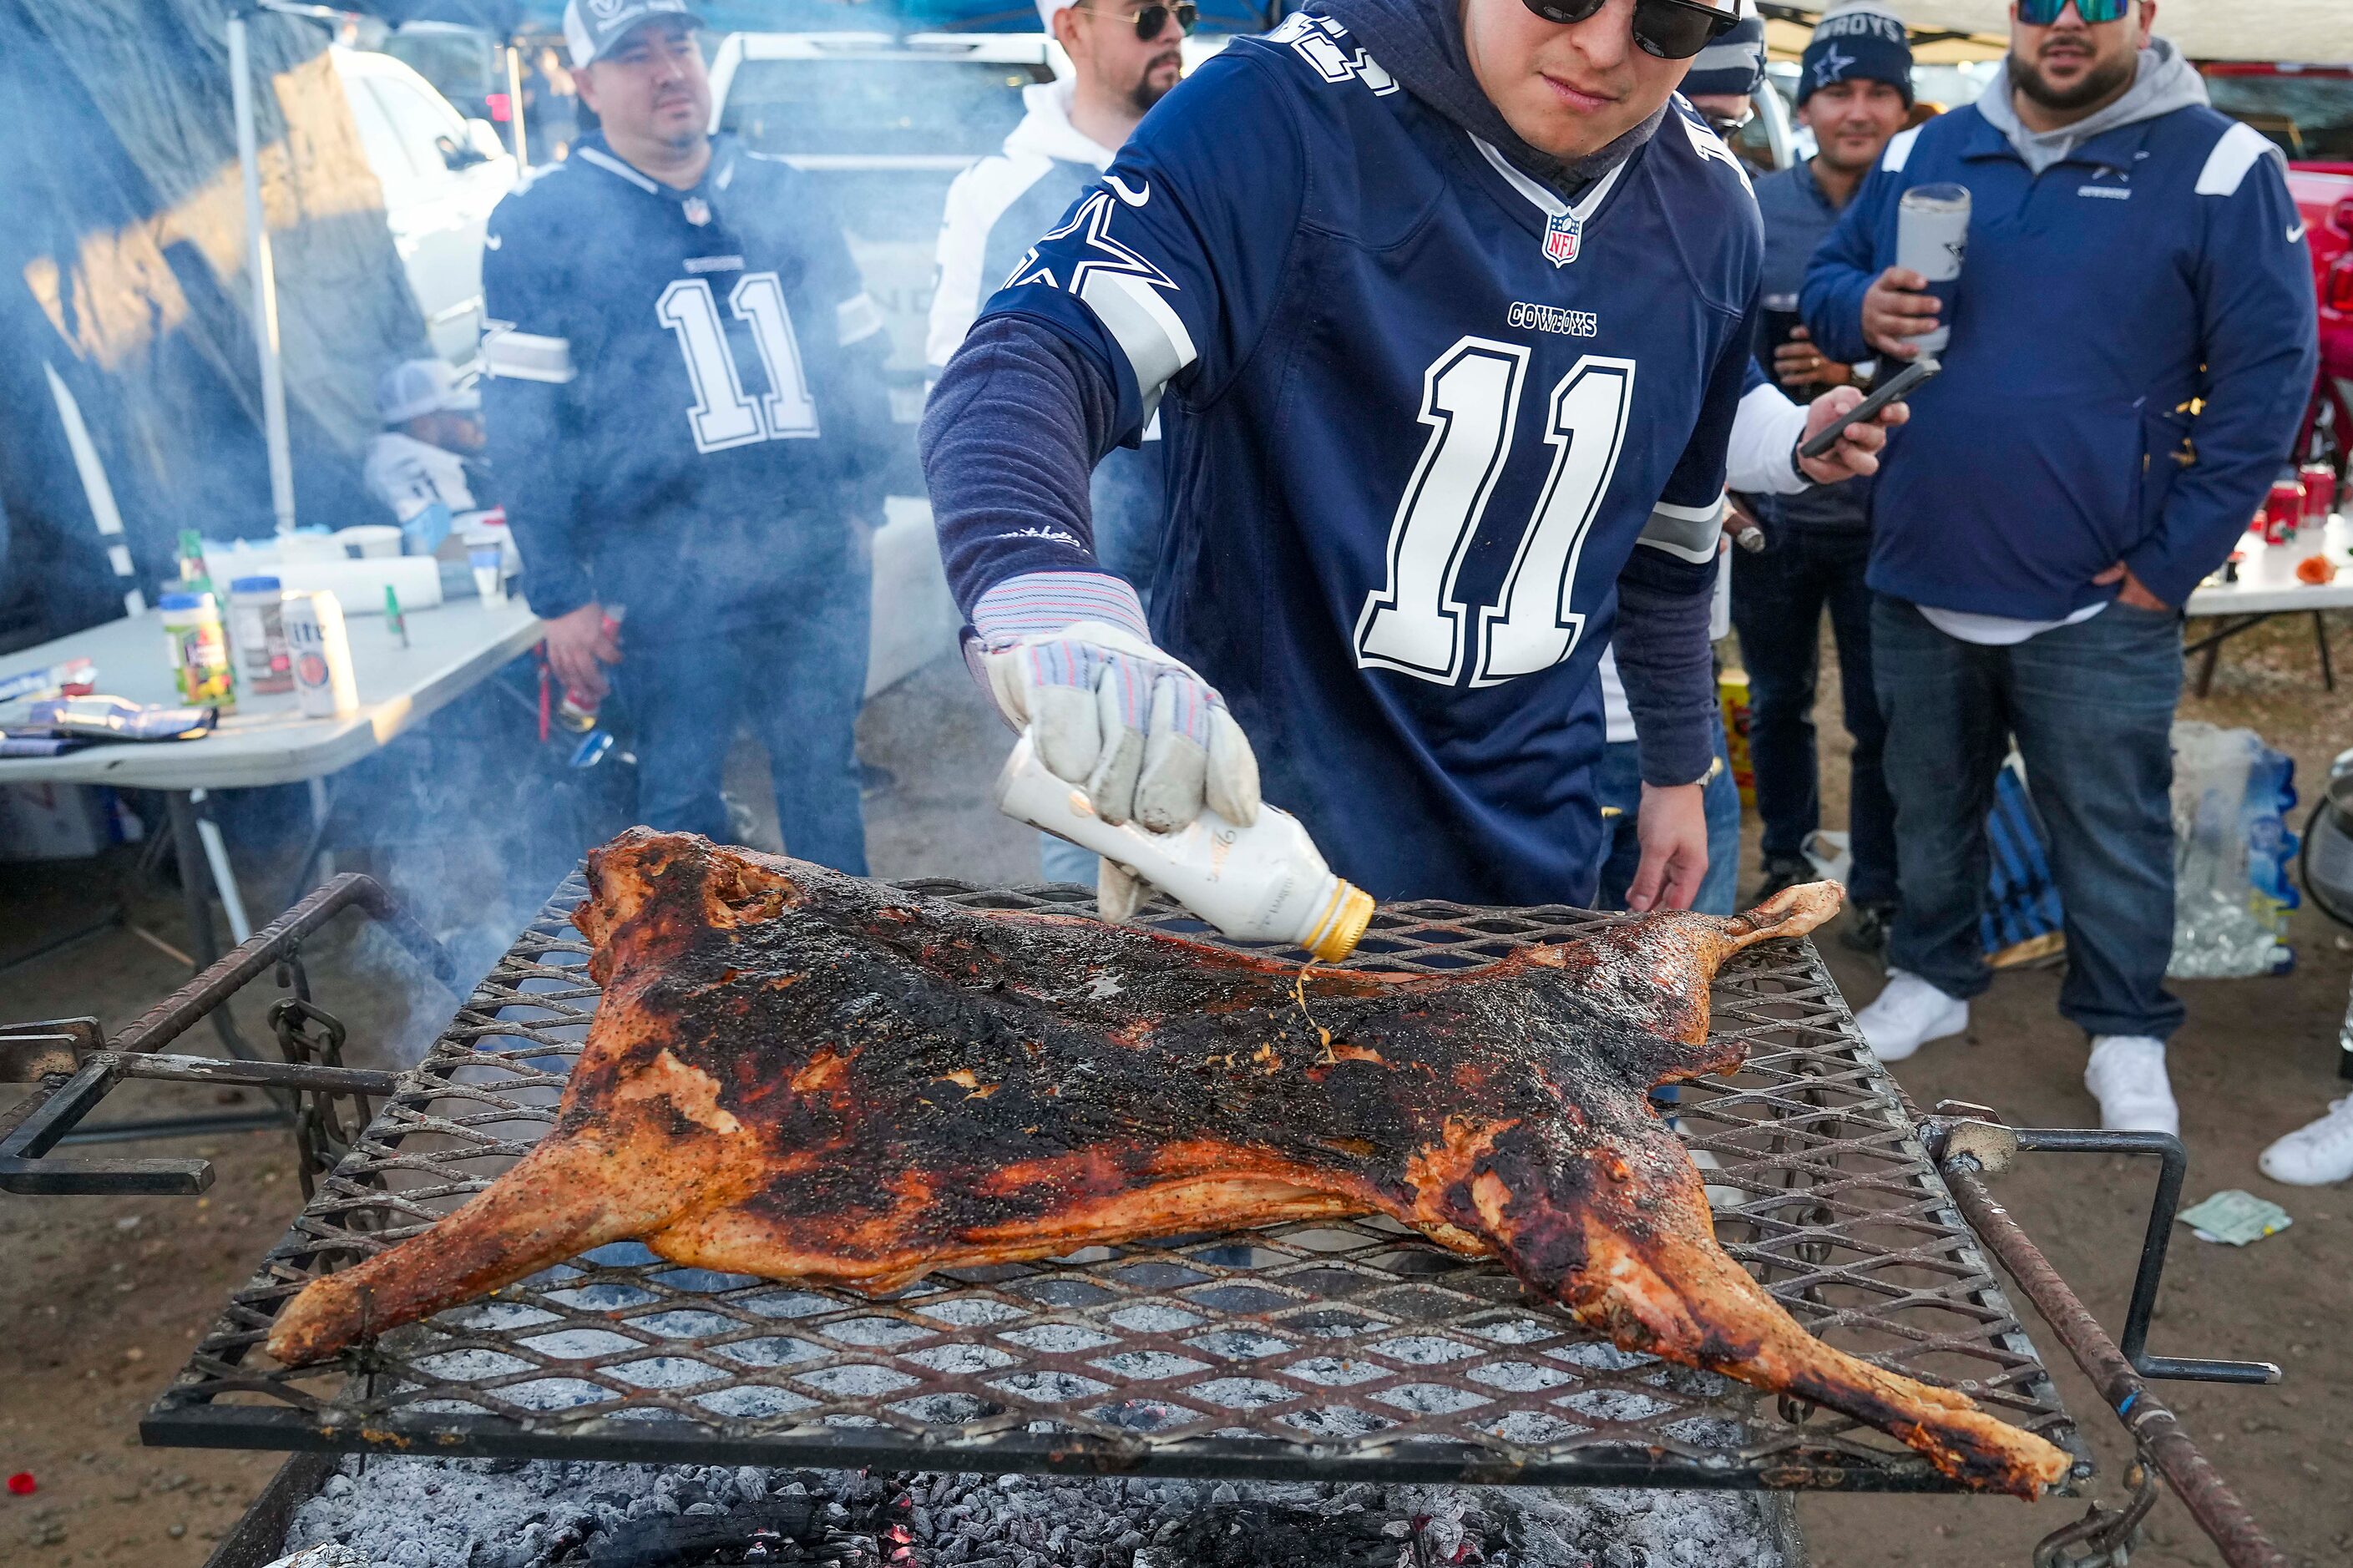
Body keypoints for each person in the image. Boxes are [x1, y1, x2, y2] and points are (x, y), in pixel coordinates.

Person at [923, 0, 1900, 919]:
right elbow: (1036, 353)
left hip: (1533, 844)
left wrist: (1677, 768)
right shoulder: (1284, 107)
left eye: (1668, 18)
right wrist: (1045, 590)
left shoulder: (1711, 207)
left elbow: (1670, 532)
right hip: (1253, 835)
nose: (1606, 49)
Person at [1803, 0, 2317, 1133]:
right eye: (2042, 2)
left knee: (2110, 825)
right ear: (2012, 17)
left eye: (2098, 2)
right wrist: (1859, 303)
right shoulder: (1922, 148)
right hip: (1922, 561)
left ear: (2142, 14)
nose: (2066, 22)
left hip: (2096, 587)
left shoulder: (2222, 163)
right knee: (1927, 806)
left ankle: (2122, 1026)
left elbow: (2267, 382)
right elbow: (1829, 276)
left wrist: (2164, 566)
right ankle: (1932, 977)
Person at [481, 0, 894, 873]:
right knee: (679, 813)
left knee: (825, 780)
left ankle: (857, 989)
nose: (670, 69)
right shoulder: (542, 219)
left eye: (681, 44)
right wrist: (558, 595)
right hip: (664, 576)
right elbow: (521, 425)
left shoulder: (782, 190)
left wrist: (863, 500)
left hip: (812, 557)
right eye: (635, 54)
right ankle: (694, 1001)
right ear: (585, 82)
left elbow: (858, 356)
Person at [927, 0, 1187, 886]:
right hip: (1087, 578)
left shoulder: (1214, 171)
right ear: (1071, 27)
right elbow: (960, 389)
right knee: (1088, 857)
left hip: (1221, 574)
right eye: (1146, 14)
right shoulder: (998, 191)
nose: (1174, 32)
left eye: (1184, 11)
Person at [1731, 2, 1912, 947]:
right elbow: (1728, 359)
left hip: (1891, 517)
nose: (1857, 109)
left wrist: (1847, 378)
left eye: (1878, 91)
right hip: (1778, 515)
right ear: (1804, 109)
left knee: (1882, 715)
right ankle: (1787, 867)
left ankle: (1876, 886)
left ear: (1904, 108)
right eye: (1837, 89)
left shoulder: (1927, 211)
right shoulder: (1757, 210)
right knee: (1777, 698)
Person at [363, 357, 490, 523]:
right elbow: (457, 540)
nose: (479, 421)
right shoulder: (407, 469)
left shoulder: (437, 455)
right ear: (423, 425)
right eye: (466, 415)